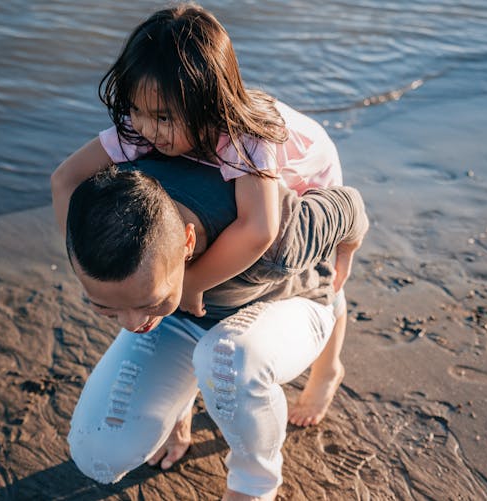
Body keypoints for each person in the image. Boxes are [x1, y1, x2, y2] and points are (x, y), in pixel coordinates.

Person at [52, 2, 347, 428]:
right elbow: (65, 180)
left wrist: (191, 282)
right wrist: (86, 254)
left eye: (162, 117)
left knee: (326, 276)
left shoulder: (246, 136)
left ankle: (328, 368)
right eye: (136, 109)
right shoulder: (146, 122)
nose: (147, 129)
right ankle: (181, 401)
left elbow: (258, 228)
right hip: (219, 147)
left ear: (208, 105)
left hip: (309, 173)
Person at [58, 157, 368, 500]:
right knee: (98, 454)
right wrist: (172, 402)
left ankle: (254, 484)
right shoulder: (106, 213)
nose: (132, 325)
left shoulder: (274, 235)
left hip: (291, 303)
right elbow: (65, 178)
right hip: (184, 316)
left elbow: (349, 205)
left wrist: (347, 255)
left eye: (146, 303)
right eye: (105, 307)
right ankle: (181, 393)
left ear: (187, 244)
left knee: (226, 357)